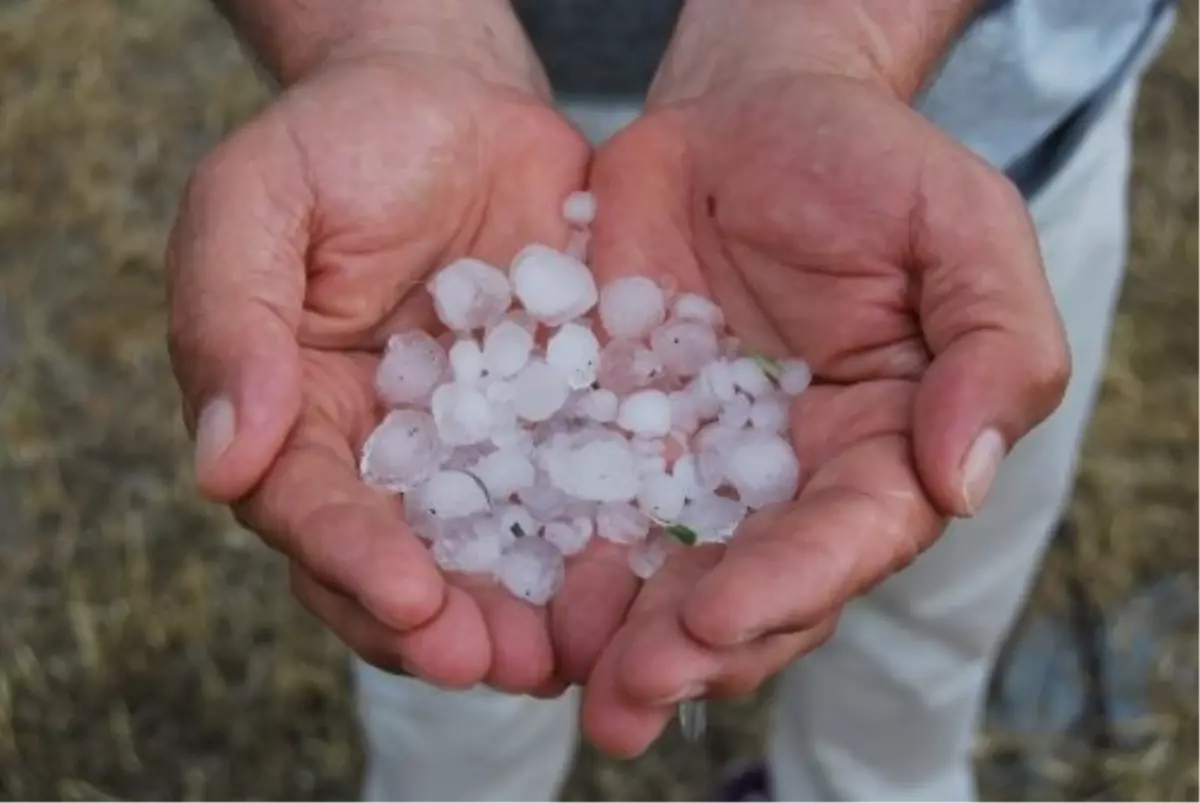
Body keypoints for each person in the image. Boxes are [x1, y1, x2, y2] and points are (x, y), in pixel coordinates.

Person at [164, 0, 1177, 800]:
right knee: (440, 653)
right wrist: (376, 32)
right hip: (447, 161)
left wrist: (832, 36)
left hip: (929, 153)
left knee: (927, 623)